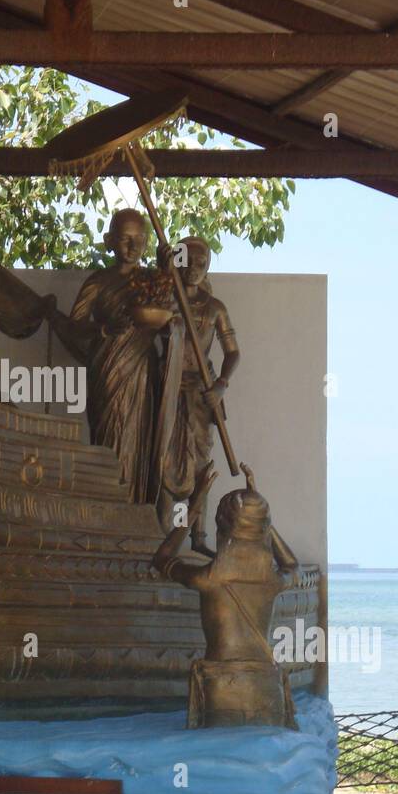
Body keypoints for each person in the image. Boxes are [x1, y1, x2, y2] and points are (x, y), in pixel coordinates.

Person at [152, 466, 299, 729]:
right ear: (263, 531)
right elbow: (292, 566)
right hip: (266, 687)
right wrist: (261, 516)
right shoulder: (272, 581)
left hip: (221, 686)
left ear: (221, 526)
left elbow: (162, 558)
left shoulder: (208, 579)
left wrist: (194, 506)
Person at [55, 209, 175, 503]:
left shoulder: (152, 282)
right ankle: (108, 504)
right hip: (108, 371)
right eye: (124, 240)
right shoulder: (98, 282)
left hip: (141, 371)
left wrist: (168, 274)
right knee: (110, 435)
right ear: (109, 241)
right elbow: (73, 328)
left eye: (139, 240)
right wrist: (104, 329)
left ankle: (134, 505)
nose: (133, 247)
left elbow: (170, 321)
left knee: (139, 437)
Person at [156, 237, 239, 556]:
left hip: (202, 393)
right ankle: (166, 530)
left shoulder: (215, 308)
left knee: (200, 463)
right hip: (167, 387)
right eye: (186, 261)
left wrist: (221, 384)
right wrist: (164, 275)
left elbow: (233, 353)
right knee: (165, 459)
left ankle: (199, 536)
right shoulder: (166, 300)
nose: (193, 269)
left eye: (201, 263)